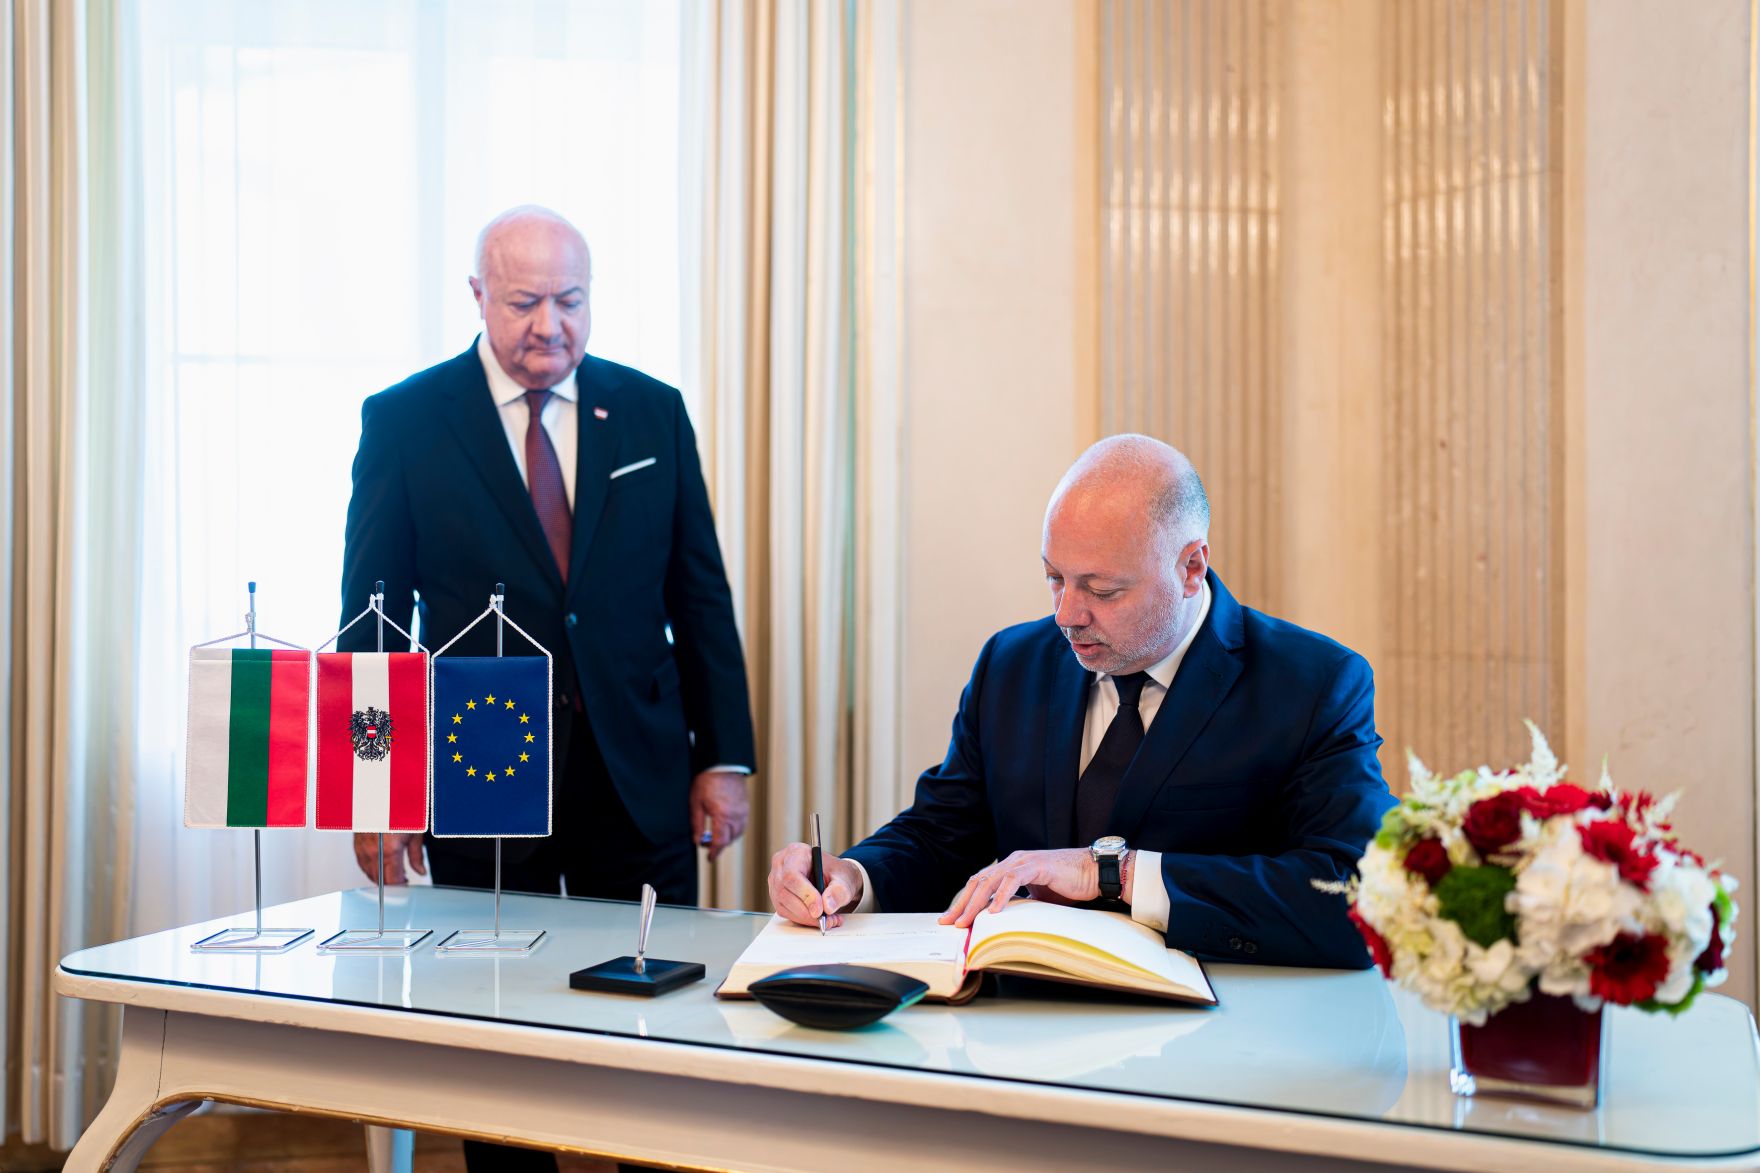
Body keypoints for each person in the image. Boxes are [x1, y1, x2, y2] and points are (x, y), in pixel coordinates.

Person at [769, 435, 1394, 969]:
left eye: (1103, 590)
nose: (1068, 616)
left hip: (1216, 1041)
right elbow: (944, 833)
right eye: (1054, 578)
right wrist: (852, 878)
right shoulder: (1011, 664)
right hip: (1015, 1027)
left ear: (1191, 568)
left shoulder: (1313, 683)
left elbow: (1353, 894)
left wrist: (1114, 875)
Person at [338, 205, 755, 901]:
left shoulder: (653, 410)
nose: (550, 325)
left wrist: (723, 758)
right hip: (481, 770)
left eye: (570, 300)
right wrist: (378, 785)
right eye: (525, 302)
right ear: (479, 295)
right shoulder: (406, 421)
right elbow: (373, 625)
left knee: (648, 995)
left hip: (636, 777)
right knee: (485, 1000)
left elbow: (701, 599)